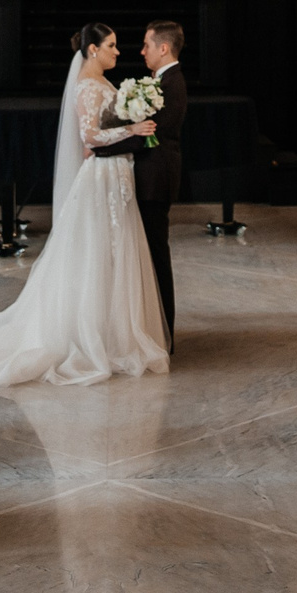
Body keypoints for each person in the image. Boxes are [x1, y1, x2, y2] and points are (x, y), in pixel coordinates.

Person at [0, 24, 171, 387]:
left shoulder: (105, 83)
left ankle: (114, 330)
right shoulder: (88, 85)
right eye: (110, 45)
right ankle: (91, 334)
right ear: (92, 50)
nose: (117, 51)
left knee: (114, 251)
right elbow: (89, 137)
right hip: (101, 178)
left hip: (116, 176)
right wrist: (133, 131)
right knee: (96, 251)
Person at [90, 20, 185, 349]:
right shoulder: (162, 80)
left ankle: (165, 337)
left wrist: (106, 146)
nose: (141, 51)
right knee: (148, 257)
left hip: (155, 180)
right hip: (146, 178)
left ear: (163, 48)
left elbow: (153, 136)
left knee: (157, 257)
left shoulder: (172, 82)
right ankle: (151, 330)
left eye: (146, 45)